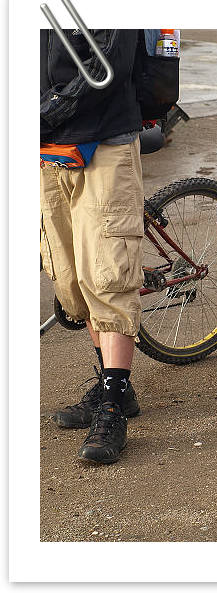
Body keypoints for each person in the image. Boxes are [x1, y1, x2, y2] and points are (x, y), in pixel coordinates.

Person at [41, 29, 144, 464]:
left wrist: (49, 109)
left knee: (107, 275)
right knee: (71, 279)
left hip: (102, 141)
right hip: (45, 148)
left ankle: (112, 403)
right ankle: (113, 382)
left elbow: (108, 63)